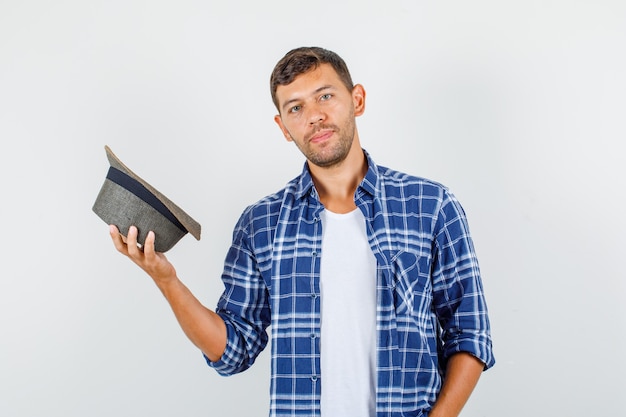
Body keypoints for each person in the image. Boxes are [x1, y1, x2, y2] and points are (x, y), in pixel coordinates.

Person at [110, 46, 495, 417]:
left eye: (325, 96)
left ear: (357, 99)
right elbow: (232, 351)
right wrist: (167, 280)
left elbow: (470, 333)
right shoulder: (260, 224)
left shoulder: (431, 206)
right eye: (296, 107)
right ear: (283, 126)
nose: (313, 116)